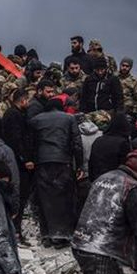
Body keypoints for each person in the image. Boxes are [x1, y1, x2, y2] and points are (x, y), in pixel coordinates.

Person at [28, 98, 84, 247]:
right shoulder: (69, 119)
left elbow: (31, 142)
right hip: (63, 161)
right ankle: (63, 235)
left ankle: (46, 234)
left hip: (42, 162)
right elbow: (77, 143)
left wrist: (31, 160)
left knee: (45, 198)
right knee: (64, 198)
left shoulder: (36, 120)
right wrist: (80, 165)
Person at [2, 89, 32, 241]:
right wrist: (25, 159)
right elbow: (17, 139)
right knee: (19, 195)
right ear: (22, 100)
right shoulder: (15, 116)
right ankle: (16, 231)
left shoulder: (12, 114)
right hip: (18, 163)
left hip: (14, 160)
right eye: (28, 100)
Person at [88, 112, 132, 181]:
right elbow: (125, 165)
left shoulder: (98, 140)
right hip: (115, 180)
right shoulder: (123, 143)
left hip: (98, 178)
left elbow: (91, 162)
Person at [117, 57, 137, 121]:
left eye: (127, 66)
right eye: (123, 65)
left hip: (128, 110)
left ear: (130, 68)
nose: (124, 68)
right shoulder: (113, 77)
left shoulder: (134, 81)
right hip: (113, 107)